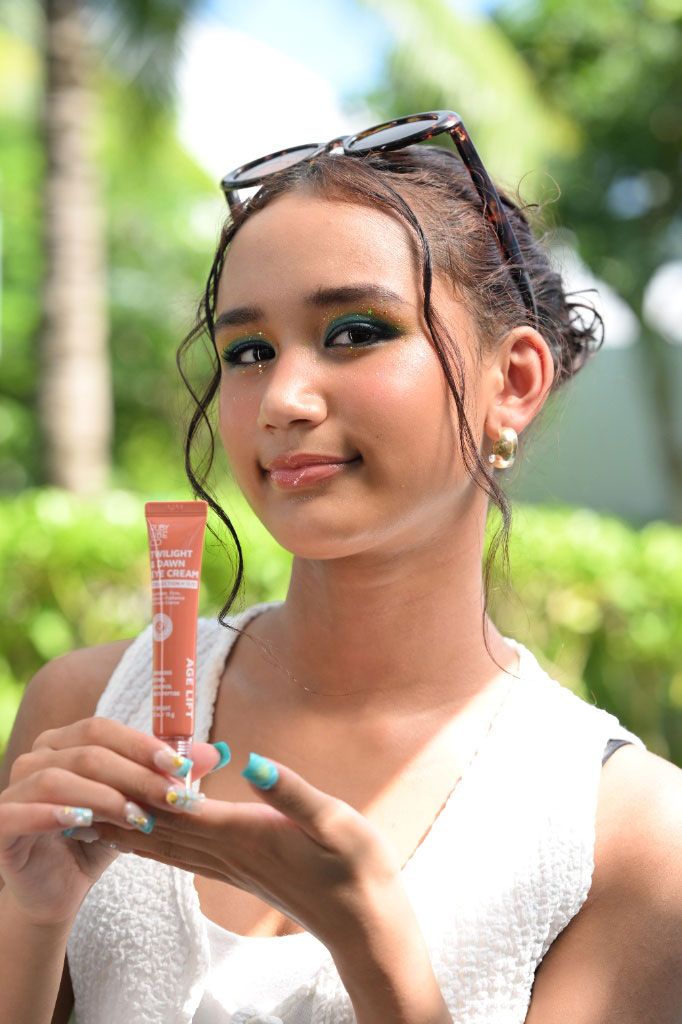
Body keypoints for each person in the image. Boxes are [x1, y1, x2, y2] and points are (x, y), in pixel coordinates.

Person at [1, 111, 681, 1024]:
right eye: (247, 351)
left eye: (356, 331)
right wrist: (34, 918)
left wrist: (374, 949)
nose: (282, 398)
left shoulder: (629, 832)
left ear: (513, 381)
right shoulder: (86, 713)